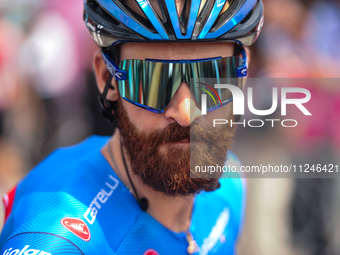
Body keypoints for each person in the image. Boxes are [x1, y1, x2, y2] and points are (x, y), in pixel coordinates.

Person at [0, 0, 263, 254]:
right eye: (152, 82)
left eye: (213, 77)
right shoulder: (59, 240)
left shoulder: (231, 180)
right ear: (107, 79)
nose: (185, 113)